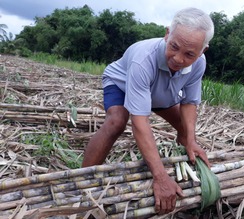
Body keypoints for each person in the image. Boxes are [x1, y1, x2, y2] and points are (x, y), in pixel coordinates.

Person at [82, 7, 214, 214]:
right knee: (116, 122)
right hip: (123, 83)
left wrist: (191, 140)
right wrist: (160, 177)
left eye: (189, 54)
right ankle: (83, 179)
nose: (179, 59)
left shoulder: (199, 64)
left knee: (185, 129)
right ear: (167, 34)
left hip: (159, 92)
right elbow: (140, 122)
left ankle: (184, 172)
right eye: (174, 47)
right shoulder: (144, 59)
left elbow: (189, 103)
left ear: (202, 51)